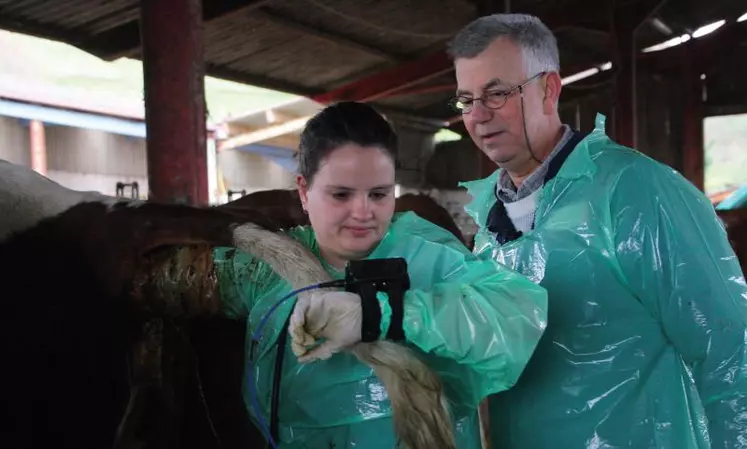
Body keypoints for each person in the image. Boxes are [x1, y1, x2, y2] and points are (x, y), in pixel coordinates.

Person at [449, 13, 747, 449]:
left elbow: (730, 348)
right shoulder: (489, 227)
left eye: (497, 94)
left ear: (549, 89)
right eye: (465, 100)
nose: (477, 115)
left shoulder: (634, 191)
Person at [213, 101, 548, 448]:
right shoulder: (260, 268)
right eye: (341, 194)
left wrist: (383, 313)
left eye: (379, 194)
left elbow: (517, 319)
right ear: (303, 192)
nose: (363, 212)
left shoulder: (429, 254)